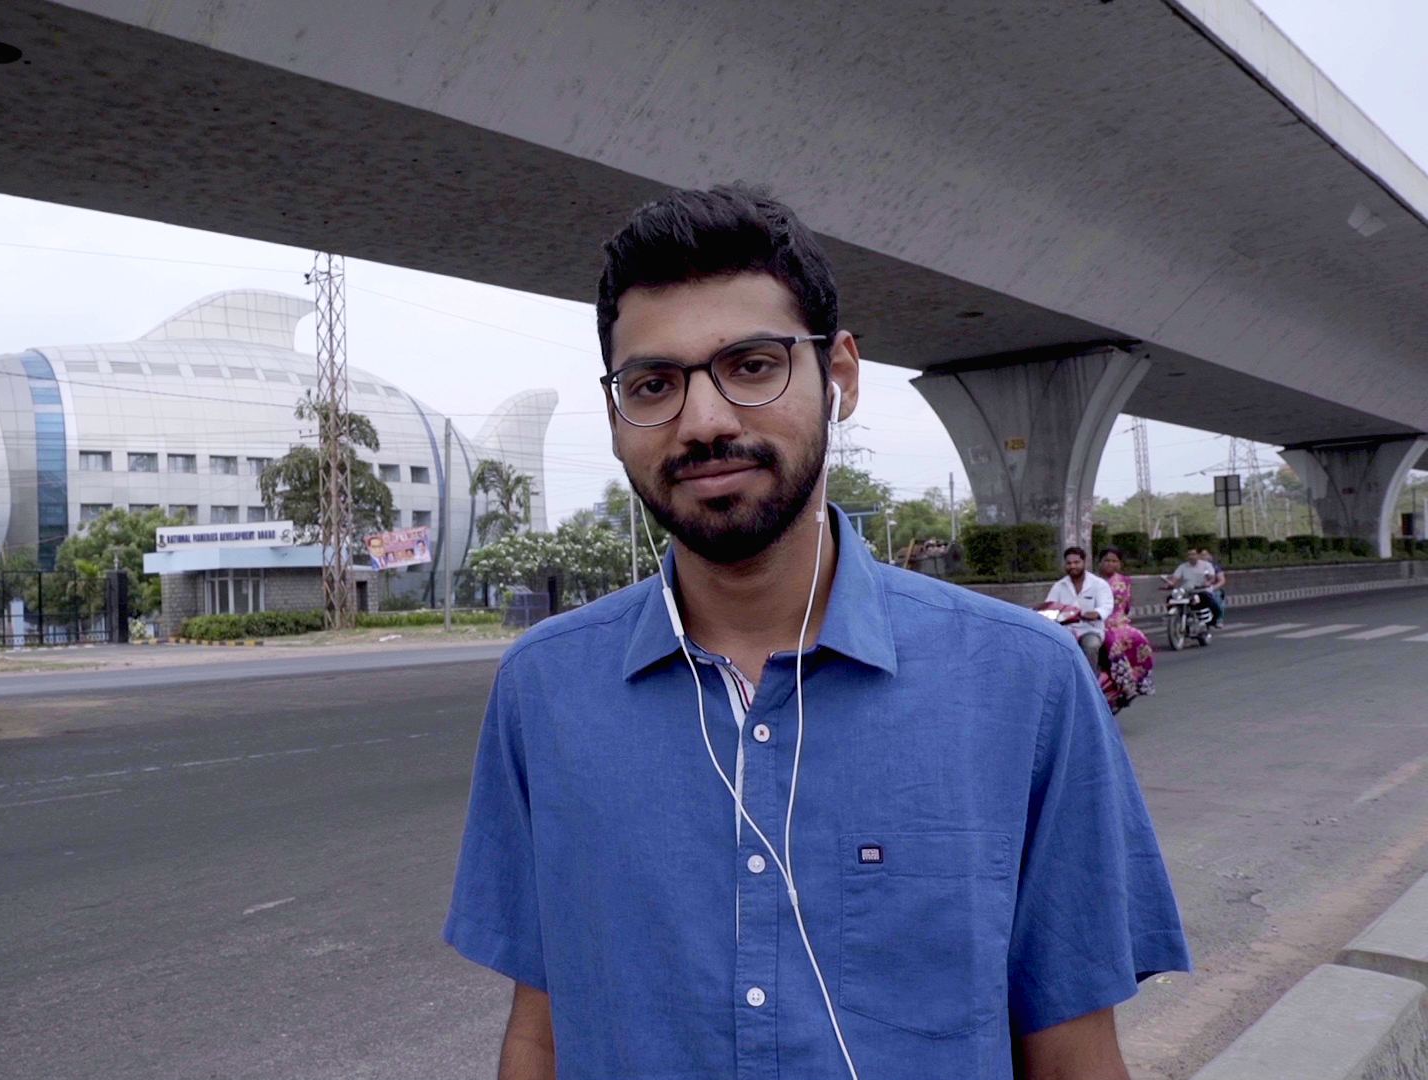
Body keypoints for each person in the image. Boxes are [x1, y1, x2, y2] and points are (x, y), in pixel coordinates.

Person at [444, 185, 1188, 1080]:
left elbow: (1072, 1054)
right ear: (614, 417)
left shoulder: (1026, 683)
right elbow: (543, 1028)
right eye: (654, 385)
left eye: (752, 365)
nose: (705, 421)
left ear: (839, 377)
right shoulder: (544, 691)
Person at [1095, 547, 1156, 712]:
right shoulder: (1092, 581)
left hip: (1119, 623)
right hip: (1098, 622)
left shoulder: (1125, 581)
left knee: (1139, 639)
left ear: (1120, 564)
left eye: (1114, 561)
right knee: (1108, 642)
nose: (1110, 564)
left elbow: (1126, 605)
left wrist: (1122, 621)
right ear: (1099, 562)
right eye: (1107, 560)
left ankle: (1133, 682)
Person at [1041, 545, 1114, 667]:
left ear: (1084, 562)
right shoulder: (1059, 586)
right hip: (1066, 630)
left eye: (1076, 562)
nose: (1072, 566)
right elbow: (1049, 607)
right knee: (1053, 647)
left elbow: (1106, 606)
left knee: (1091, 646)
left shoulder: (1098, 584)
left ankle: (1090, 683)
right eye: (1069, 563)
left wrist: (1096, 613)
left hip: (1090, 629)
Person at [1166, 550, 1222, 627]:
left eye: (1193, 555)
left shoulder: (1206, 565)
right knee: (1170, 599)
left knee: (1211, 601)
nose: (1192, 557)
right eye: (1190, 556)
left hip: (1201, 590)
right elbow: (1175, 577)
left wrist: (1208, 582)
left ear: (1198, 556)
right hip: (1186, 591)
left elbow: (1211, 577)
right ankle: (1177, 618)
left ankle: (1215, 620)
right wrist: (1171, 583)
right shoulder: (1183, 566)